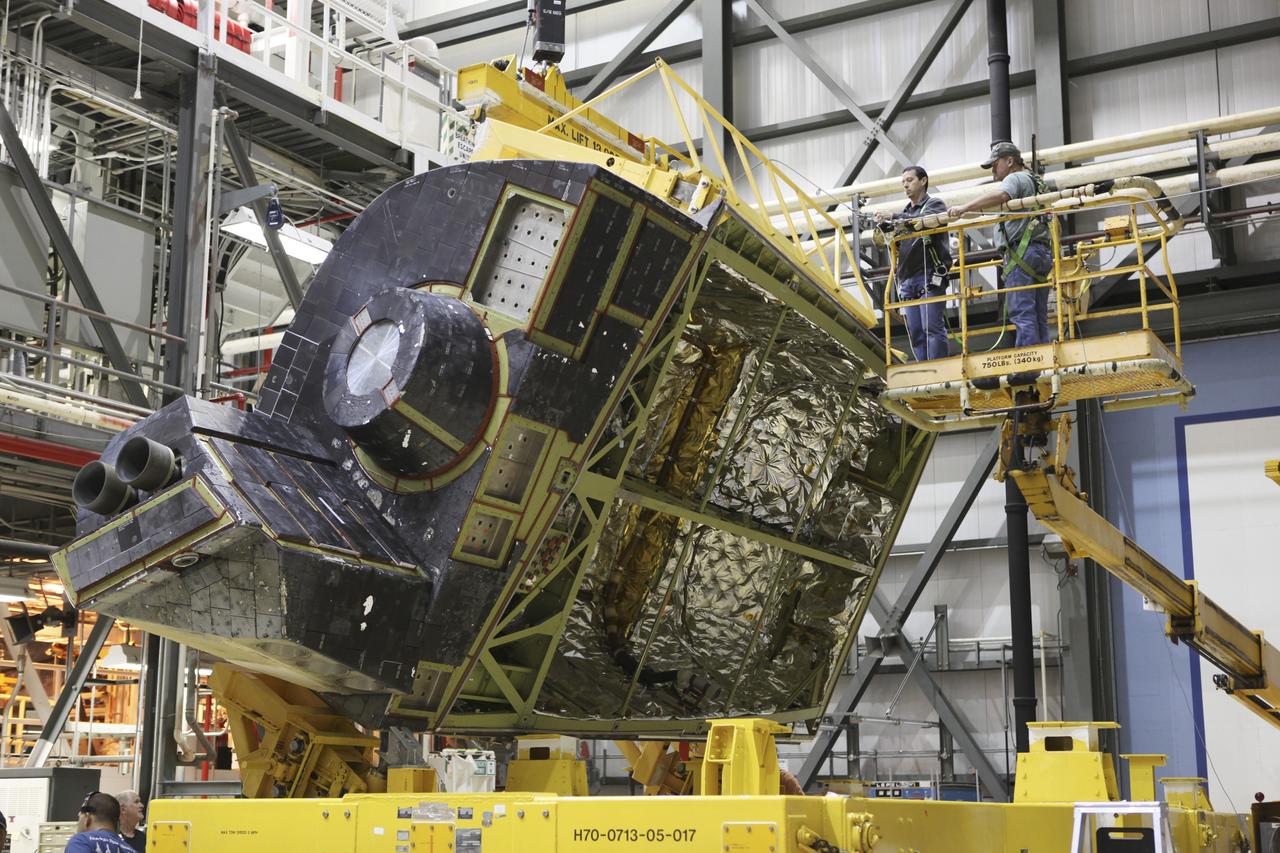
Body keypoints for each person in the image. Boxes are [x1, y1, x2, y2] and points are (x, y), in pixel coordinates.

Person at [947, 141, 1053, 347]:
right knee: (1038, 313)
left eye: (995, 164)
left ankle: (1029, 365)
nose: (993, 170)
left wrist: (964, 207)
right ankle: (1043, 360)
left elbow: (1002, 194)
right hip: (1040, 252)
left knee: (1022, 312)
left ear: (1010, 161)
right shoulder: (1035, 180)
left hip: (1021, 253)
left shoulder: (1015, 177)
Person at [875, 165, 953, 360]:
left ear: (923, 181)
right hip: (908, 278)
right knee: (916, 333)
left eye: (909, 180)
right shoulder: (904, 213)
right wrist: (885, 226)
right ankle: (925, 371)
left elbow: (922, 220)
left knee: (931, 328)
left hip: (930, 276)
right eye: (903, 182)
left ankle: (939, 370)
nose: (906, 185)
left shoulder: (935, 205)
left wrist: (893, 217)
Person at [65, 791, 131, 853]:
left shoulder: (81, 841)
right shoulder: (130, 850)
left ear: (87, 818)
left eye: (79, 818)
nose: (78, 823)